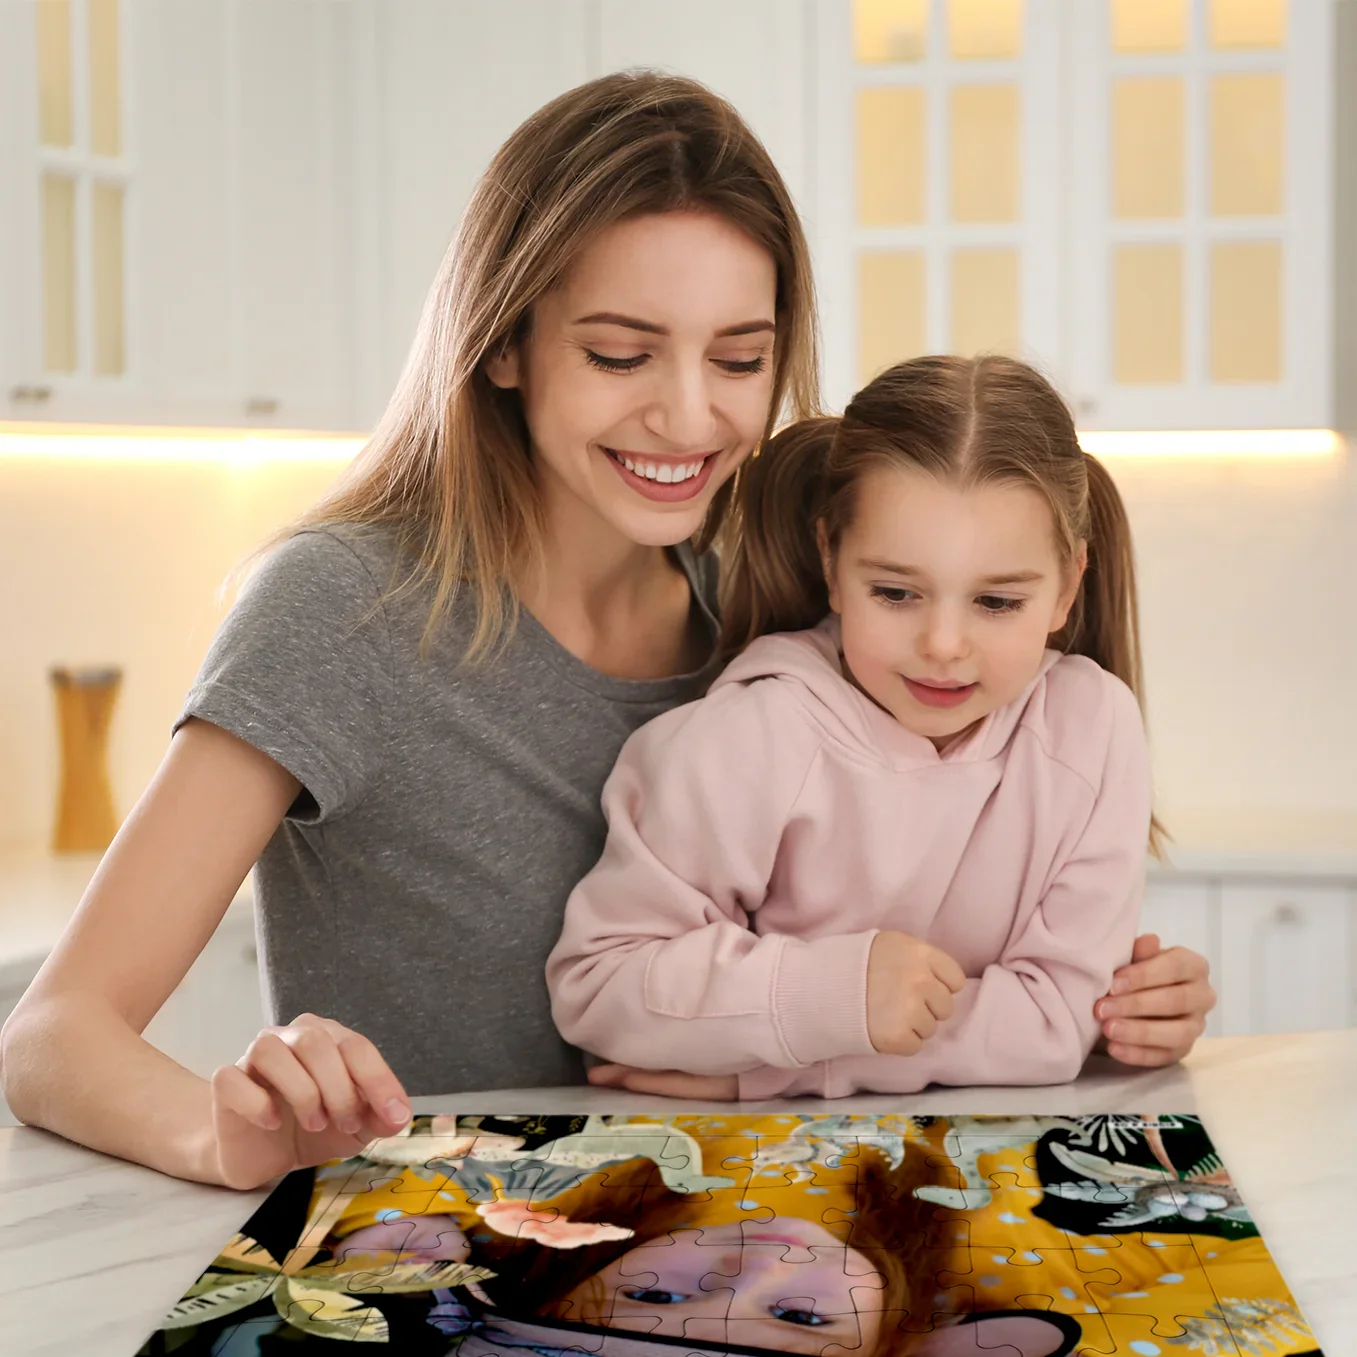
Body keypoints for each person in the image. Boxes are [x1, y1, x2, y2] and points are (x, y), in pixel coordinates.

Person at [0, 73, 1213, 1192]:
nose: (688, 414)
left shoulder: (771, 597)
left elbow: (886, 958)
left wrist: (1112, 1011)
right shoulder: (343, 610)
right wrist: (219, 1135)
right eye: (621, 352)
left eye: (738, 358)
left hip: (740, 1221)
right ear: (505, 342)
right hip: (441, 1246)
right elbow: (56, 1034)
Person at [549, 355, 1182, 1100]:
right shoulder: (746, 739)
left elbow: (1054, 1023)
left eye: (996, 602)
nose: (943, 645)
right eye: (894, 592)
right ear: (831, 559)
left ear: (1068, 585)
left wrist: (789, 1062)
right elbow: (600, 986)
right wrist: (834, 994)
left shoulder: (1092, 728)